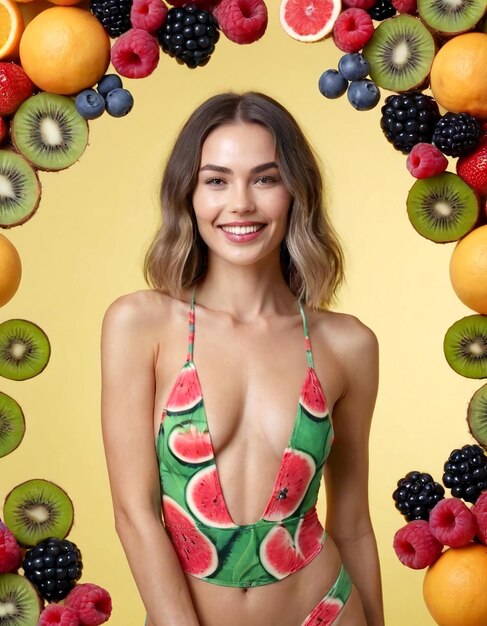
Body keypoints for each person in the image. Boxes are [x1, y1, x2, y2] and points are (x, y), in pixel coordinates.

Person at [101, 91, 384, 626]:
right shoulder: (141, 325)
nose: (241, 204)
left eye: (265, 178)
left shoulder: (349, 345)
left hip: (325, 610)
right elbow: (135, 516)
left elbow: (352, 526)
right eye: (216, 180)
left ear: (296, 193)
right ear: (188, 194)